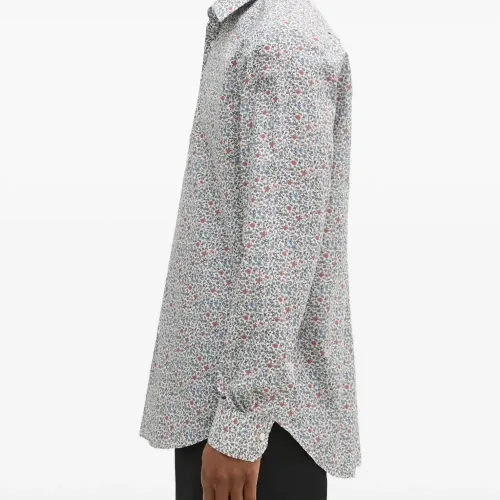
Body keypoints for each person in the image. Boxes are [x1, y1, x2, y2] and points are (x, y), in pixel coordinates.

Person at [139, 0, 362, 498]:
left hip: (259, 425)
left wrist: (240, 426)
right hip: (226, 405)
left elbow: (280, 254)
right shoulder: (249, 32)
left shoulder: (282, 46)